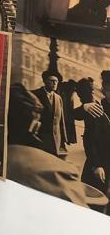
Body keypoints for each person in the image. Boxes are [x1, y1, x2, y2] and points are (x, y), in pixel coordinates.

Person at [7, 82, 109, 207]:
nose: (101, 91)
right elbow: (86, 132)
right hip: (99, 162)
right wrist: (96, 164)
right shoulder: (97, 105)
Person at [78, 70, 110, 208]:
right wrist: (96, 165)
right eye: (108, 89)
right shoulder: (96, 108)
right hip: (99, 166)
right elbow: (89, 139)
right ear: (104, 90)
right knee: (94, 205)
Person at [32, 73, 68, 156]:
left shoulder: (58, 98)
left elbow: (61, 120)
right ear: (44, 81)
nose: (55, 83)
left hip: (55, 139)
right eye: (52, 81)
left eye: (56, 81)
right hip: (40, 137)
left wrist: (63, 139)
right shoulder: (35, 94)